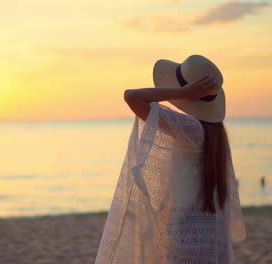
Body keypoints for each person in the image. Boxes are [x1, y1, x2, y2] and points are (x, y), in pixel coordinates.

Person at [95, 55, 246, 264]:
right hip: (212, 233)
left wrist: (184, 92)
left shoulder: (191, 129)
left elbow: (132, 97)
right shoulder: (217, 134)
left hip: (186, 233)